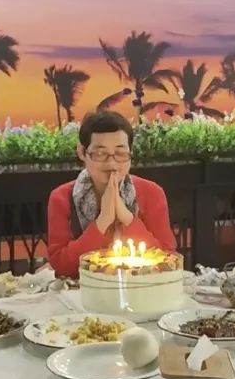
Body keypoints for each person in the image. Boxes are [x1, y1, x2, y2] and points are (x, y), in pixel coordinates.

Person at [46, 110, 177, 278]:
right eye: (100, 153)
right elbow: (62, 266)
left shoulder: (152, 193)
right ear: (82, 152)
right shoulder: (61, 197)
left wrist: (126, 217)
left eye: (120, 153)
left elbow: (168, 260)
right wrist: (103, 220)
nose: (111, 163)